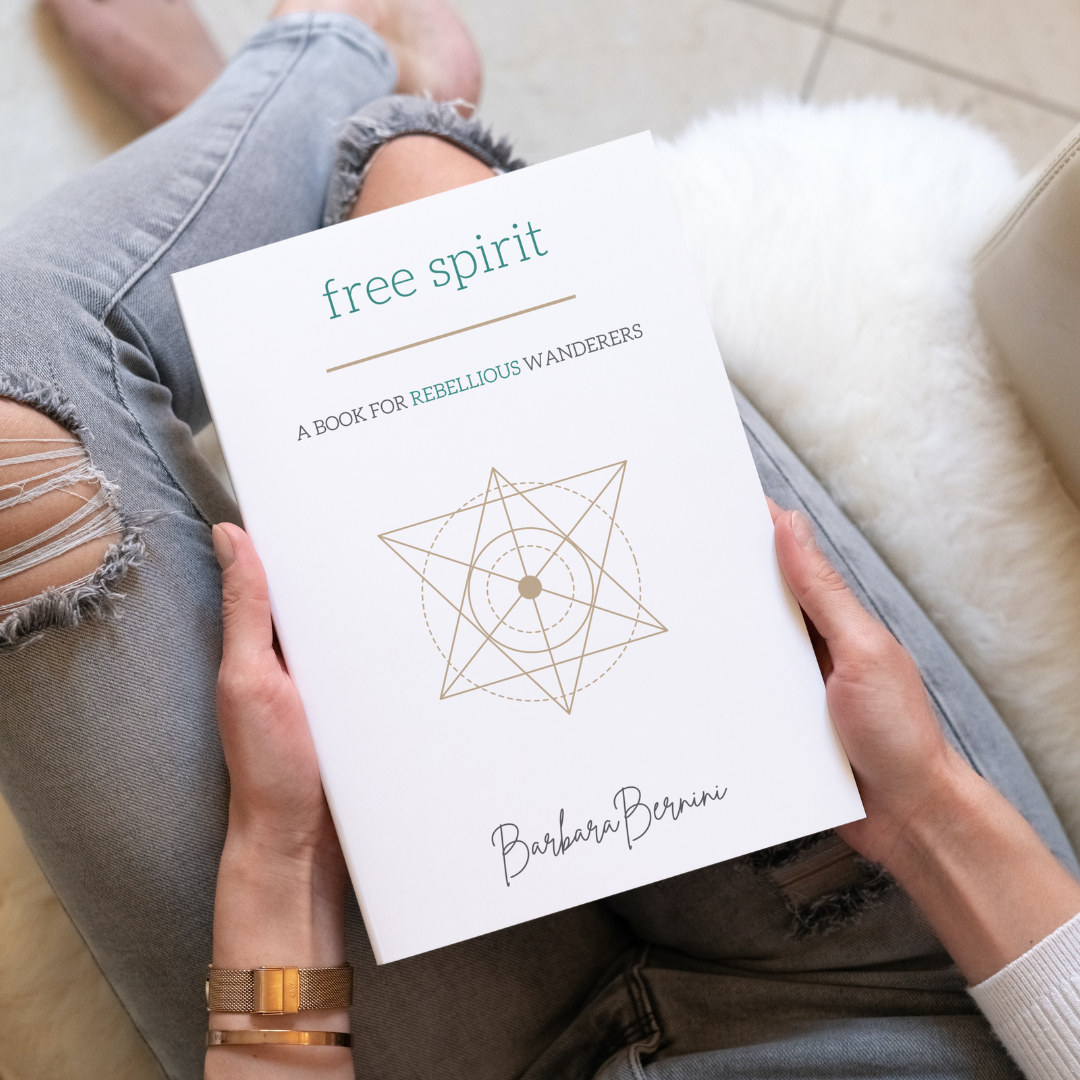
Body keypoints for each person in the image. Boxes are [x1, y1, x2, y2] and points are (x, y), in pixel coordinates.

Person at [1, 2, 1079, 1078]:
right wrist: (929, 799)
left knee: (14, 424)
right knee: (420, 195)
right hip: (903, 972)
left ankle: (268, 131)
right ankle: (344, 78)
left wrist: (280, 857)